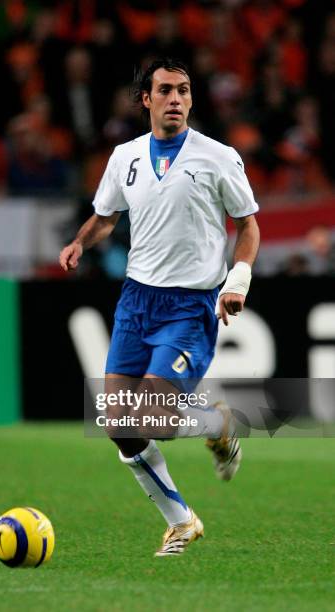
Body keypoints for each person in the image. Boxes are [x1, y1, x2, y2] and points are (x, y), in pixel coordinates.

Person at [59, 58, 260, 556]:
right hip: (136, 300)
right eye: (166, 90)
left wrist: (238, 279)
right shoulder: (125, 156)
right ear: (145, 100)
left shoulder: (217, 157)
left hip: (190, 305)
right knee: (118, 424)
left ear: (191, 100)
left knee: (149, 415)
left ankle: (216, 423)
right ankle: (181, 521)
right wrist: (82, 242)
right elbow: (106, 217)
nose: (176, 98)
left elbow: (248, 225)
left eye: (184, 90)